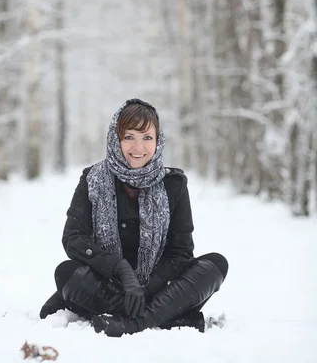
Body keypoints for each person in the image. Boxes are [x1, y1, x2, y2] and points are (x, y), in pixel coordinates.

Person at [39, 98, 228, 337]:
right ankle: (165, 318)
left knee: (216, 265)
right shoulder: (92, 179)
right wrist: (121, 271)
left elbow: (180, 253)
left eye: (147, 138)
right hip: (108, 284)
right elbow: (74, 238)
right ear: (116, 139)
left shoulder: (174, 183)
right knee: (66, 273)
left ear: (158, 141)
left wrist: (144, 288)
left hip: (160, 288)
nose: (138, 148)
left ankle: (132, 323)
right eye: (129, 137)